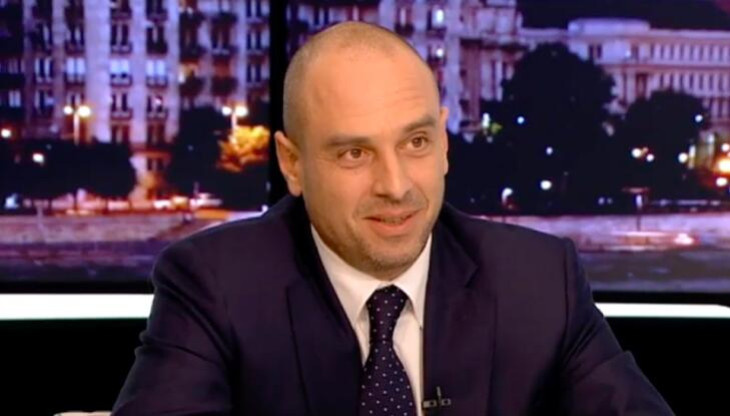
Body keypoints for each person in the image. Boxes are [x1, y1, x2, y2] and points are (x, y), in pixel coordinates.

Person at [113, 22, 673, 415]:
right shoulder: (213, 286)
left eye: (416, 142)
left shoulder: (540, 280)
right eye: (354, 153)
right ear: (292, 163)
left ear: (444, 142)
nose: (397, 185)